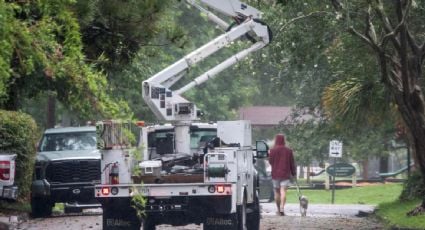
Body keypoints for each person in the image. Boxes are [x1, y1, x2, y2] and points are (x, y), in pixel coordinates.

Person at [269, 133, 296, 216]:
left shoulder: (272, 151)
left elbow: (270, 162)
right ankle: (282, 207)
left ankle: (278, 209)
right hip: (285, 174)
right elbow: (292, 163)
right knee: (283, 190)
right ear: (284, 140)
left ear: (276, 140)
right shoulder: (289, 151)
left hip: (275, 174)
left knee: (277, 192)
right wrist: (293, 173)